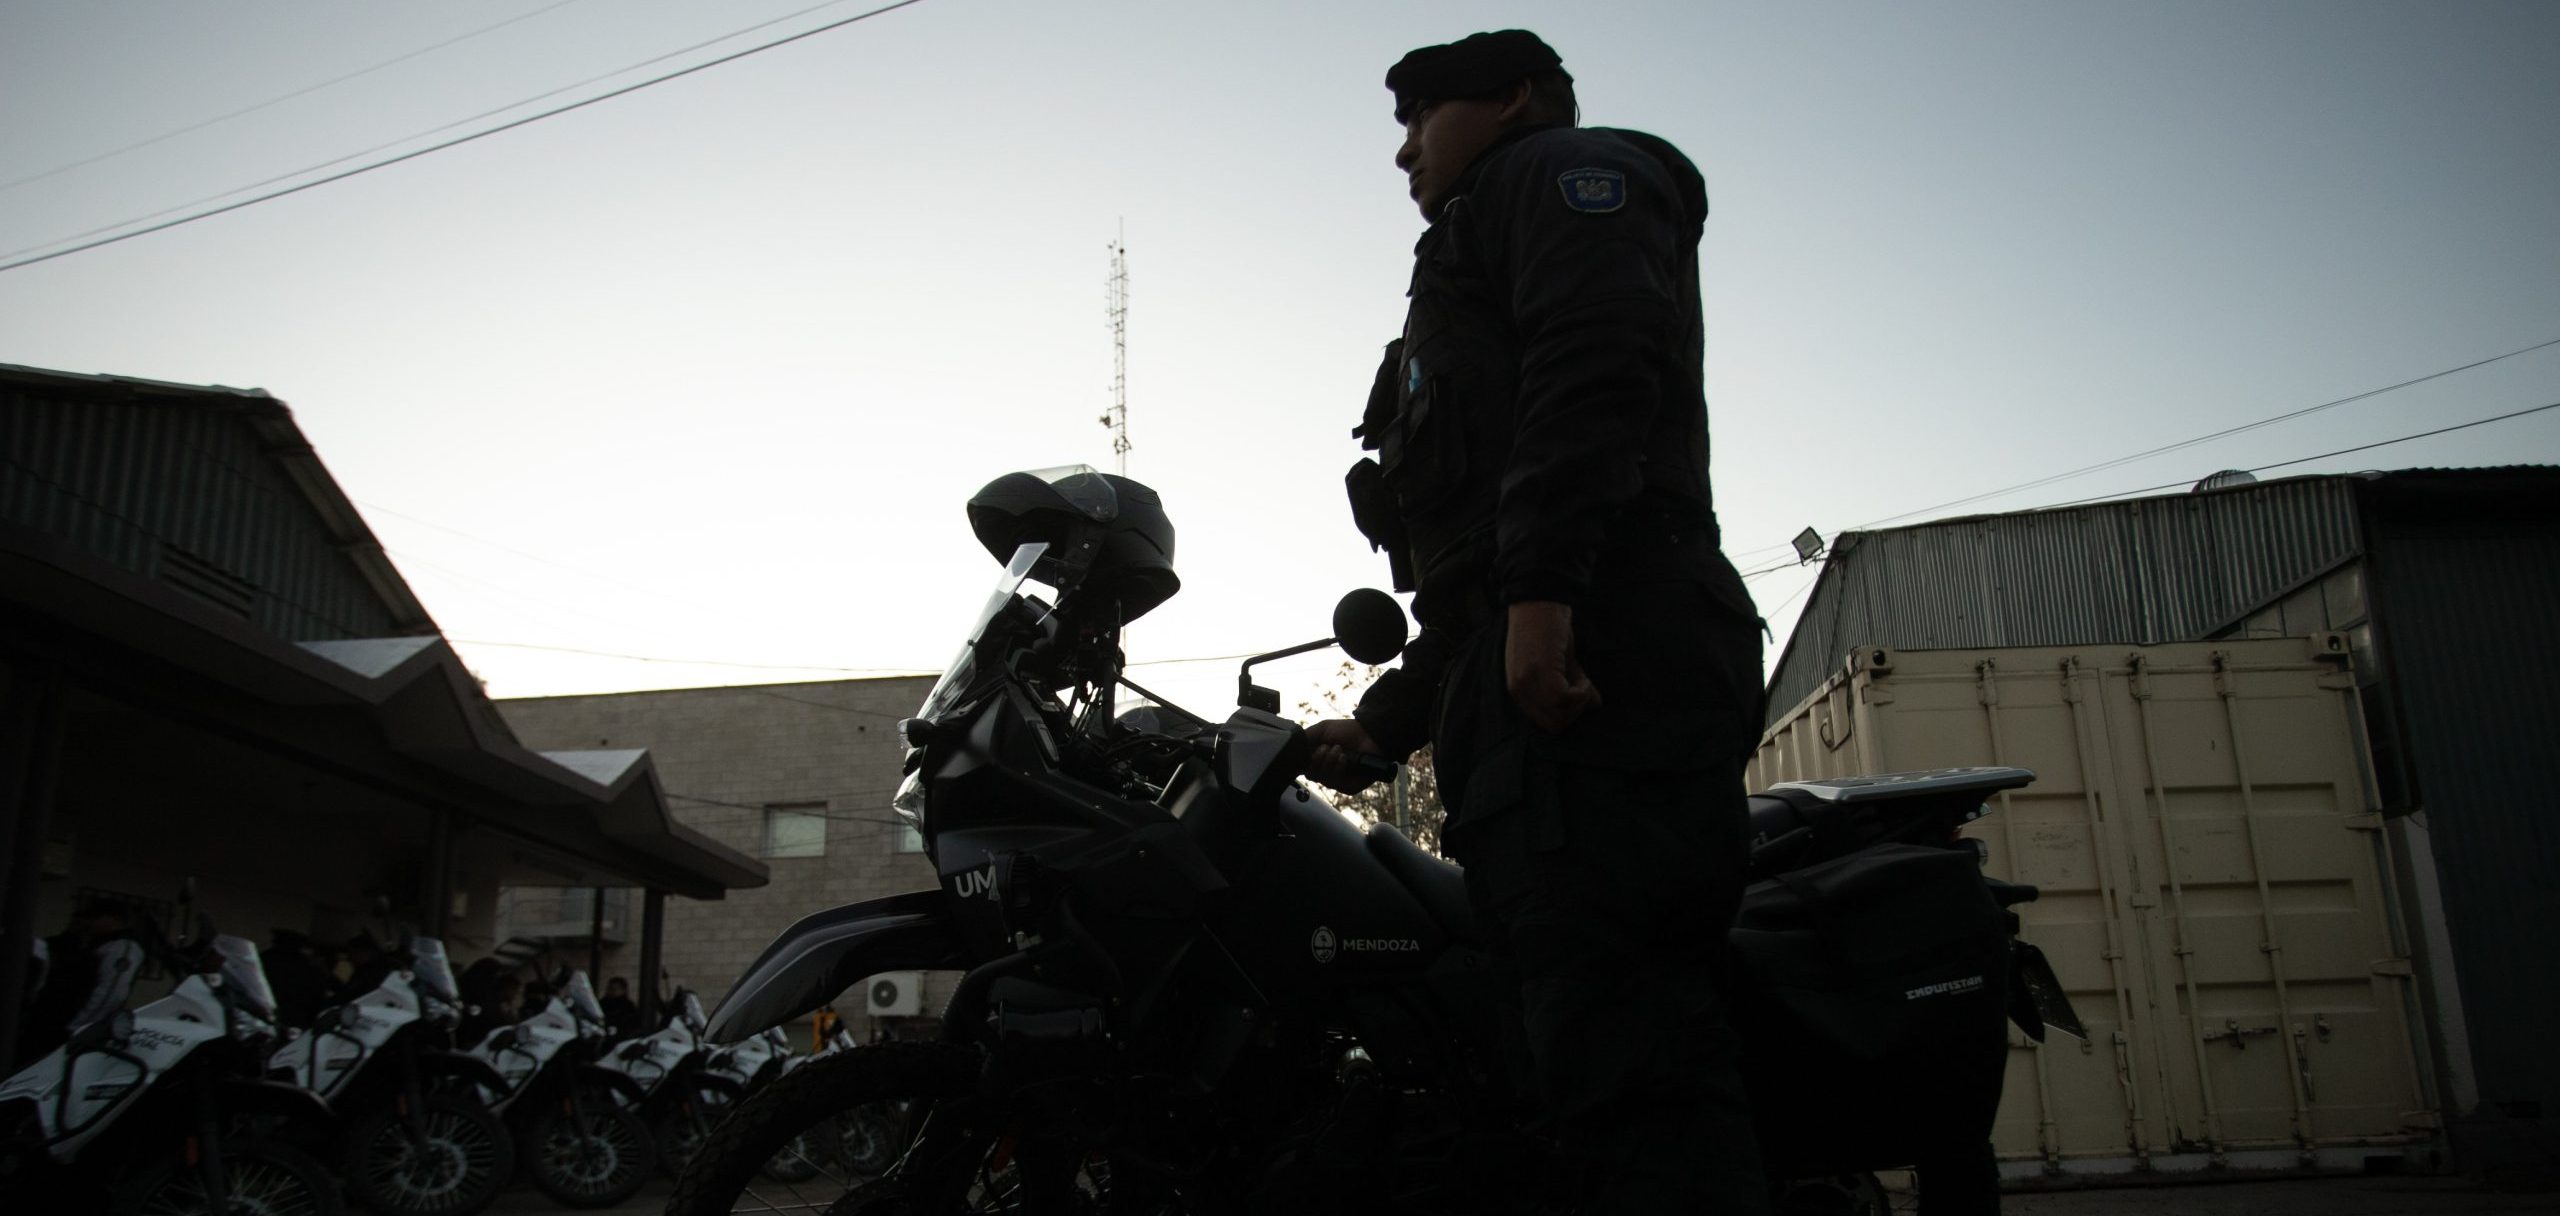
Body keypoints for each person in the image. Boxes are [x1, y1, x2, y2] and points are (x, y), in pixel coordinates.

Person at [1305, 29, 1771, 1214]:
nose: (1403, 150)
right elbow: (1472, 574)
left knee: (1631, 1063)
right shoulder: (1468, 248)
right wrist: (1385, 723)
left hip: (1616, 647)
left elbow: (1594, 366)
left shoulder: (1564, 174)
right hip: (1534, 680)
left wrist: (1546, 594)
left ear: (1511, 98)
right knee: (1546, 1063)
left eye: (1421, 116)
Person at [15, 899, 138, 1066]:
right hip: (55, 1022)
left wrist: (78, 1028)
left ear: (114, 920)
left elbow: (110, 993)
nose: (91, 923)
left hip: (72, 1029)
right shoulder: (96, 943)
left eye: (96, 918)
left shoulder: (121, 947)